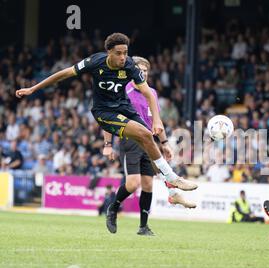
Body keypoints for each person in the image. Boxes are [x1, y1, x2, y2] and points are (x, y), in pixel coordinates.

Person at [15, 33, 198, 232]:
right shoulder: (95, 62)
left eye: (125, 53)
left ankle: (163, 193)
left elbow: (148, 94)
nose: (122, 57)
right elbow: (64, 74)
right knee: (143, 142)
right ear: (109, 52)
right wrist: (34, 88)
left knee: (147, 141)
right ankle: (172, 179)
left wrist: (158, 121)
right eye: (118, 53)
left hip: (124, 109)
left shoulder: (129, 66)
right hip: (104, 112)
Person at [102, 56, 196, 236]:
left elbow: (156, 120)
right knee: (133, 183)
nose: (143, 73)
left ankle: (143, 226)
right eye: (140, 70)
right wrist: (108, 144)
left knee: (147, 184)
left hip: (149, 140)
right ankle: (113, 208)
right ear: (133, 71)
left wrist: (165, 143)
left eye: (146, 70)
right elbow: (108, 116)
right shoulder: (122, 88)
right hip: (130, 138)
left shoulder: (151, 92)